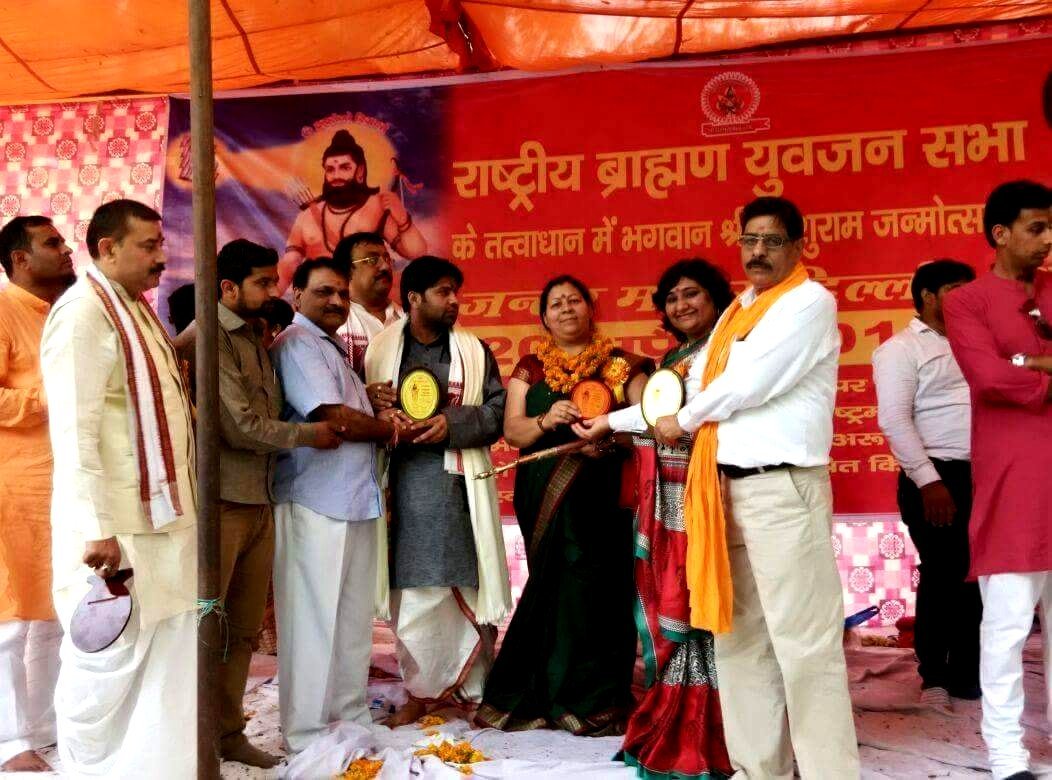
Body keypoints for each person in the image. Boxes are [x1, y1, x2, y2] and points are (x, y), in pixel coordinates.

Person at [582, 196, 858, 778]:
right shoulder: (737, 312)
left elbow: (747, 384)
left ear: (798, 246)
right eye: (749, 240)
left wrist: (680, 421)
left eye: (772, 240)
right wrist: (612, 421)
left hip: (783, 491)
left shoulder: (808, 302)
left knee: (804, 646)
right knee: (741, 643)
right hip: (723, 492)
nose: (758, 251)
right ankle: (761, 773)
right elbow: (688, 387)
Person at [40, 199, 197, 777]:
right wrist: (94, 530)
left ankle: (158, 768)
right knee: (111, 661)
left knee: (167, 655)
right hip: (115, 531)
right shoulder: (84, 314)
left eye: (161, 245)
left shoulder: (134, 310)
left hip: (161, 521)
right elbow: (74, 432)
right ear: (107, 249)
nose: (161, 258)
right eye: (148, 246)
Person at [572, 260, 734, 773]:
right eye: (672, 297)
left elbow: (696, 412)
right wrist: (609, 427)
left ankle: (715, 729)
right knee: (676, 602)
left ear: (715, 297)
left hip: (707, 496)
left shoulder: (725, 350)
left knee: (702, 605)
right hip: (670, 500)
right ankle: (677, 713)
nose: (681, 305)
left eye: (692, 294)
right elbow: (656, 419)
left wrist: (612, 424)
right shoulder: (675, 357)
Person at [188, 239, 341, 766]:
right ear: (228, 287)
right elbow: (240, 426)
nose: (273, 290)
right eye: (262, 282)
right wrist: (310, 435)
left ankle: (229, 735)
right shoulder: (208, 337)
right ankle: (195, 737)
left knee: (243, 630)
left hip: (259, 498)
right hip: (221, 503)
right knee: (206, 629)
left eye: (274, 280)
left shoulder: (255, 334)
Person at [477, 275, 651, 736]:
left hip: (603, 495)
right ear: (544, 318)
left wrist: (609, 437)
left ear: (591, 309)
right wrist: (545, 418)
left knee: (598, 591)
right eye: (556, 304)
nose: (567, 309)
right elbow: (513, 432)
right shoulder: (530, 368)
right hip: (545, 496)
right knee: (553, 587)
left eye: (575, 300)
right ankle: (542, 692)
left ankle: (594, 699)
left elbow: (650, 423)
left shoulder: (623, 366)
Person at [364, 256, 509, 727]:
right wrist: (376, 409)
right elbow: (359, 408)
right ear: (414, 298)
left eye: (455, 292)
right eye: (444, 292)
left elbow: (497, 412)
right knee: (412, 592)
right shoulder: (379, 350)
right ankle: (421, 693)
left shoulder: (473, 350)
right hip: (400, 487)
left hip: (459, 488)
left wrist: (451, 423)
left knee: (463, 583)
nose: (454, 301)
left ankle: (476, 691)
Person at [270, 256, 405, 753]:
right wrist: (391, 429)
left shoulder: (330, 347)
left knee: (350, 620)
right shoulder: (297, 342)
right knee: (311, 621)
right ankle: (305, 731)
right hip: (313, 501)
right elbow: (334, 418)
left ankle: (349, 715)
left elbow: (346, 409)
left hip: (352, 500)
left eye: (342, 294)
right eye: (323, 291)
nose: (336, 301)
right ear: (296, 295)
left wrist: (368, 400)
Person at [943, 180, 1052, 780]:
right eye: (1037, 228)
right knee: (1007, 625)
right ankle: (1007, 755)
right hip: (1014, 483)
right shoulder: (968, 302)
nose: (1048, 240)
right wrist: (1030, 368)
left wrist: (1025, 361)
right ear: (1000, 233)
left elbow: (1005, 368)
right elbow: (987, 378)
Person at [873, 258, 980, 713]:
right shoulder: (900, 349)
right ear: (928, 296)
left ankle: (969, 677)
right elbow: (895, 421)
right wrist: (929, 482)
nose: (967, 298)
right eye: (956, 290)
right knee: (943, 573)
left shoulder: (978, 342)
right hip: (936, 478)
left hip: (985, 475)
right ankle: (934, 675)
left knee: (977, 576)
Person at [0, 216, 75, 773]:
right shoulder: (4, 310)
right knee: (10, 619)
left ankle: (44, 726)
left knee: (53, 613)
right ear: (21, 259)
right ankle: (8, 741)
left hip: (60, 484)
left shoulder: (61, 315)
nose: (66, 248)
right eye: (52, 242)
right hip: (12, 485)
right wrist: (50, 398)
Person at [277, 130, 426, 292]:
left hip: (366, 299)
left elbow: (415, 252)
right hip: (322, 299)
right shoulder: (306, 217)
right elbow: (289, 264)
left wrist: (402, 218)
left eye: (345, 167)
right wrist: (272, 294)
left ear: (360, 171)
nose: (336, 175)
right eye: (330, 169)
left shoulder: (375, 208)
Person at [333, 232, 405, 380]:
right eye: (372, 260)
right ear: (346, 271)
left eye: (387, 259)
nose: (385, 266)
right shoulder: (334, 325)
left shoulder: (407, 320)